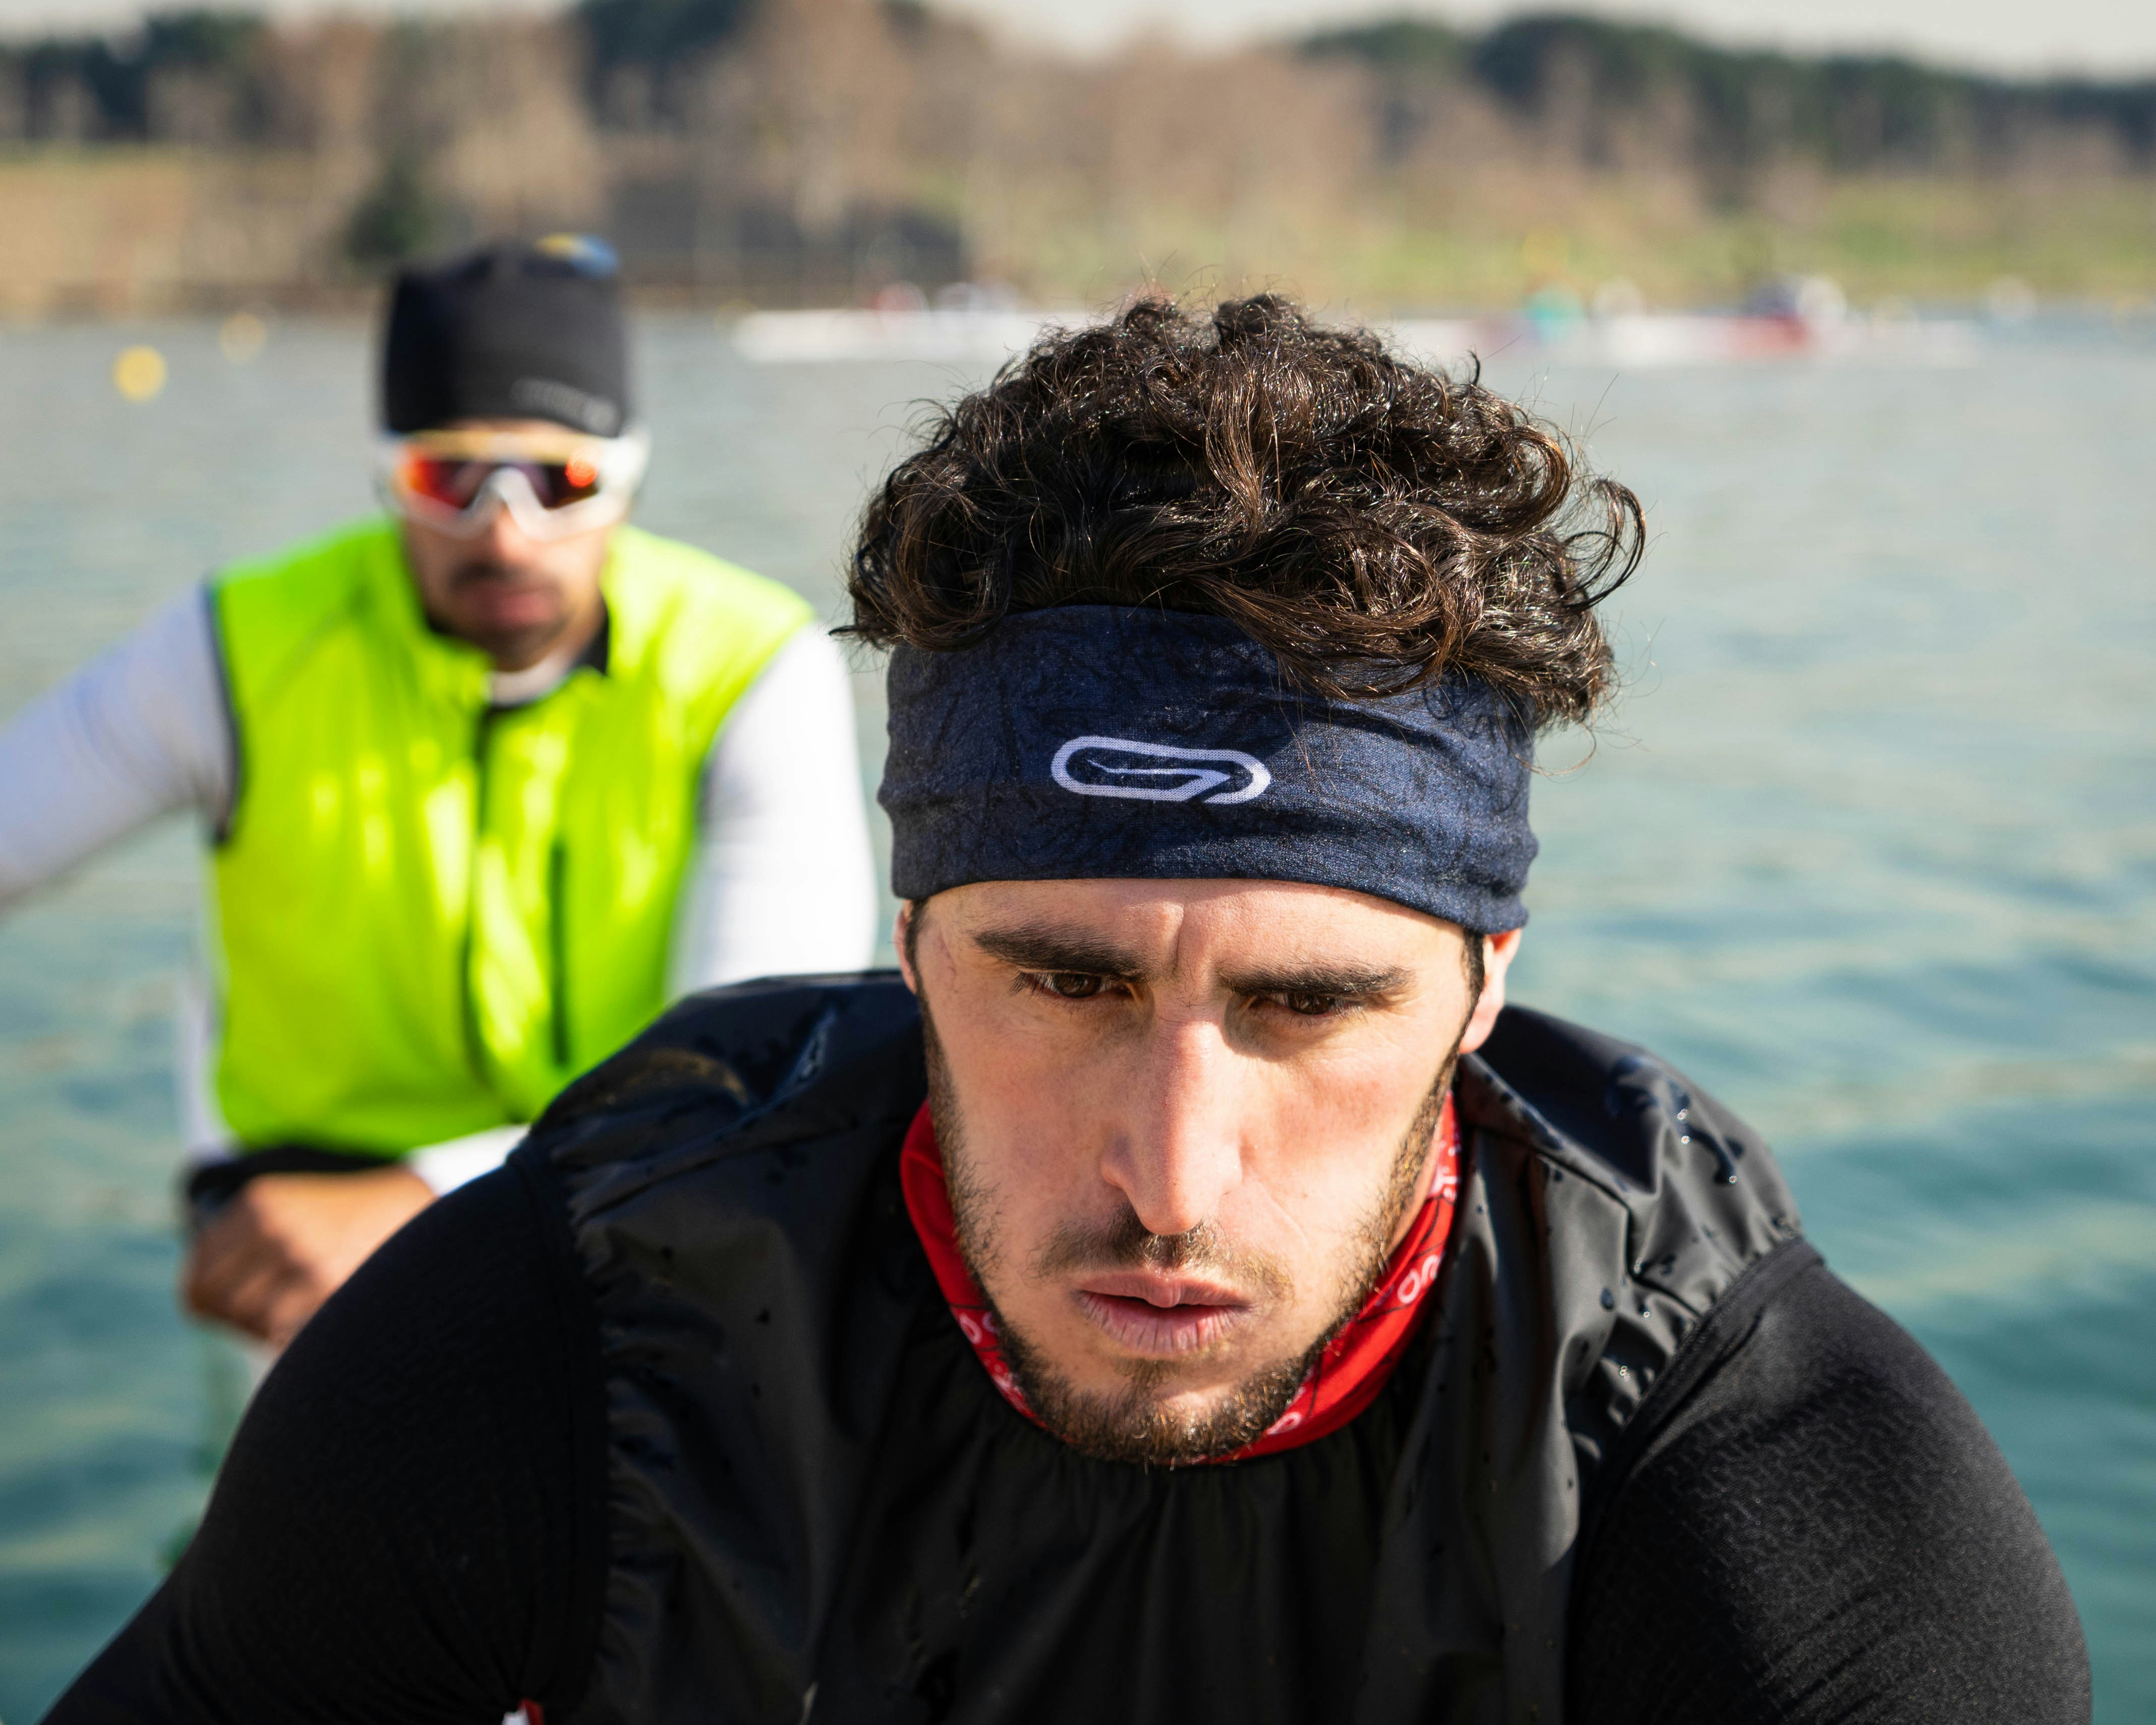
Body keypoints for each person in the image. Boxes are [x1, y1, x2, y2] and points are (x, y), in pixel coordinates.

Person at [44, 297, 2088, 1724]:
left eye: (1307, 1003)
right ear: (909, 944)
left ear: (1483, 988)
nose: (1170, 1173)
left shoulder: (1734, 1465)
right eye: (1061, 981)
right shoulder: (578, 1338)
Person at [0, 237, 876, 1350]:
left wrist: (429, 1194)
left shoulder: (752, 669)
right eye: (447, 479)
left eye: (560, 482)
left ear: (627, 476)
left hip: (637, 1220)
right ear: (387, 475)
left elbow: (761, 1068)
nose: (504, 531)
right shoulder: (234, 650)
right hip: (298, 1240)